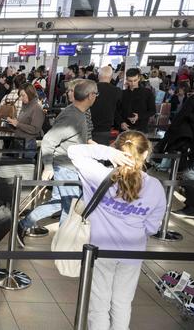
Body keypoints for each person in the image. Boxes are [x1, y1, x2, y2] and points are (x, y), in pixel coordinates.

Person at [67, 132, 165, 330]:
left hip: (101, 250)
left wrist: (106, 152)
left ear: (116, 150)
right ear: (145, 154)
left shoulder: (98, 175)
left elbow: (73, 151)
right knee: (122, 303)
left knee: (99, 305)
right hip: (132, 252)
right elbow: (153, 227)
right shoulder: (155, 187)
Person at [18, 79, 99, 245]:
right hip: (66, 167)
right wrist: (48, 166)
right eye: (96, 94)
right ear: (90, 96)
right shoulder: (73, 115)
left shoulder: (78, 113)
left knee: (59, 204)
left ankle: (23, 224)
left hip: (69, 166)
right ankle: (63, 244)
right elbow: (49, 140)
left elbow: (83, 139)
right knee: (70, 209)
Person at [6, 84, 45, 154]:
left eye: (23, 95)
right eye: (20, 96)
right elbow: (23, 124)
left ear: (30, 93)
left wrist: (17, 124)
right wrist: (12, 124)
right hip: (20, 142)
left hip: (28, 145)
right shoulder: (26, 106)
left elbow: (35, 129)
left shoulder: (36, 108)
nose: (20, 98)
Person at [91, 66, 123, 145]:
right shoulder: (117, 91)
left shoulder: (90, 89)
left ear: (98, 76)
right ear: (111, 77)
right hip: (105, 129)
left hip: (88, 127)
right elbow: (119, 110)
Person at [119, 68, 156, 133]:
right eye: (130, 81)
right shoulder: (122, 93)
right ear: (126, 80)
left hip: (142, 130)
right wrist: (121, 122)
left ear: (139, 78)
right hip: (125, 129)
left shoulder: (147, 92)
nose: (133, 83)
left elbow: (152, 110)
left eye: (135, 80)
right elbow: (117, 111)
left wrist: (139, 116)